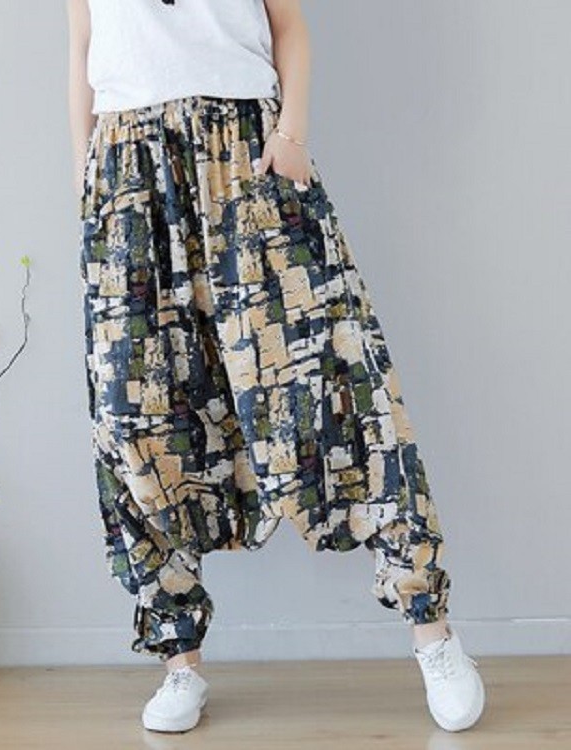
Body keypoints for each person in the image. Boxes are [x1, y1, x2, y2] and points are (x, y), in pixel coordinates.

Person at [66, 0, 486, 735]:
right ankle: (179, 658)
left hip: (244, 150)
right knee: (137, 415)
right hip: (127, 170)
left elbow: (289, 26)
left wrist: (291, 135)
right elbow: (83, 47)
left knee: (335, 383)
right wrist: (86, 177)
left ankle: (431, 627)